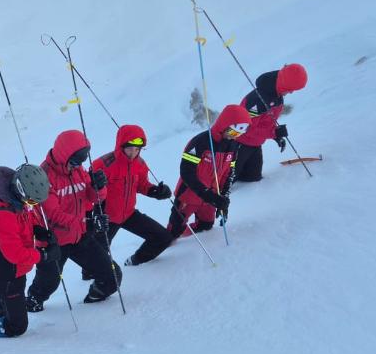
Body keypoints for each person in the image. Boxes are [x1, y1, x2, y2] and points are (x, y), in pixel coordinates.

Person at [26, 130, 122, 309]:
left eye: (81, 161)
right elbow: (53, 214)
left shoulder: (78, 170)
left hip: (79, 236)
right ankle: (32, 301)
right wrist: (87, 223)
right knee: (49, 284)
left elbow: (94, 198)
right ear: (64, 155)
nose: (77, 165)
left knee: (112, 277)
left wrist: (98, 187)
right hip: (53, 241)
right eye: (74, 161)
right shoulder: (44, 176)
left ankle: (93, 302)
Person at [0, 164, 55, 338]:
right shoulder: (1, 214)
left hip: (17, 271)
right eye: (31, 201)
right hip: (6, 274)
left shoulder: (16, 202)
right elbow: (15, 253)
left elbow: (26, 220)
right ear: (19, 190)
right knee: (18, 326)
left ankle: (4, 310)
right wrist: (42, 256)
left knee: (9, 302)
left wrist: (38, 229)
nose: (32, 205)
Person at [91, 124, 173, 266]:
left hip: (128, 214)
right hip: (106, 217)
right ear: (120, 146)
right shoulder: (103, 164)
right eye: (129, 148)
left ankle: (136, 261)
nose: (133, 153)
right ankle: (89, 279)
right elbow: (89, 192)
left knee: (163, 237)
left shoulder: (140, 164)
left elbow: (142, 185)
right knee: (97, 256)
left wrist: (157, 192)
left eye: (137, 149)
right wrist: (96, 213)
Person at [167, 105, 252, 238]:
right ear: (225, 125)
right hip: (189, 196)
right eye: (233, 132)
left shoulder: (234, 145)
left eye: (239, 133)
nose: (234, 136)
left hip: (210, 199)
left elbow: (229, 173)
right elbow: (187, 173)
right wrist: (207, 195)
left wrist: (223, 199)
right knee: (174, 231)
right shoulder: (200, 142)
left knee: (206, 227)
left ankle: (187, 244)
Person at [234, 63, 308, 182]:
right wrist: (274, 133)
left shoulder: (277, 93)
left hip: (255, 144)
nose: (292, 92)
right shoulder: (258, 100)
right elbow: (246, 128)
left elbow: (267, 120)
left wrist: (276, 136)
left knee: (252, 179)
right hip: (238, 143)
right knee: (226, 182)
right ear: (285, 85)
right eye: (291, 89)